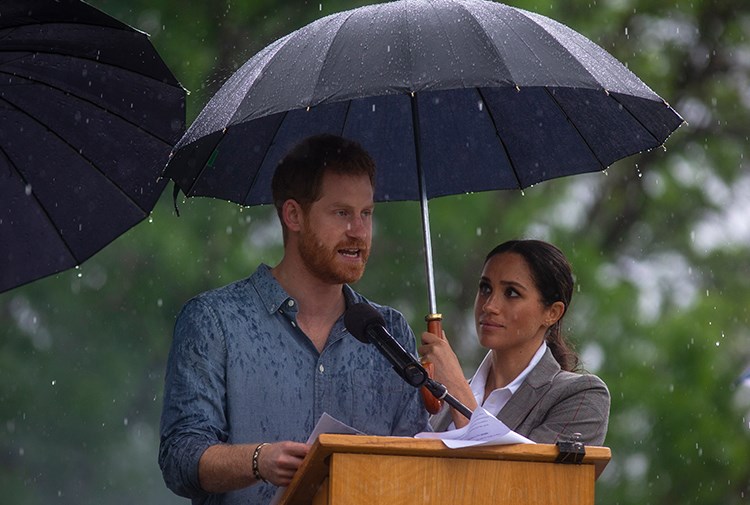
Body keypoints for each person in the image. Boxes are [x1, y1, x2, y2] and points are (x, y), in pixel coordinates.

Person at [159, 134, 429, 505]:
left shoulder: (391, 332)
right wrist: (258, 460)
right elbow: (179, 456)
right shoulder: (213, 320)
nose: (359, 231)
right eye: (341, 213)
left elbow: (415, 470)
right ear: (293, 215)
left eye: (366, 213)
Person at [419, 239, 610, 445]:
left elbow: (522, 475)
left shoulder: (581, 396)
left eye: (511, 293)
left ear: (552, 313)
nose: (490, 306)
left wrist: (456, 391)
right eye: (485, 288)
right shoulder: (440, 399)